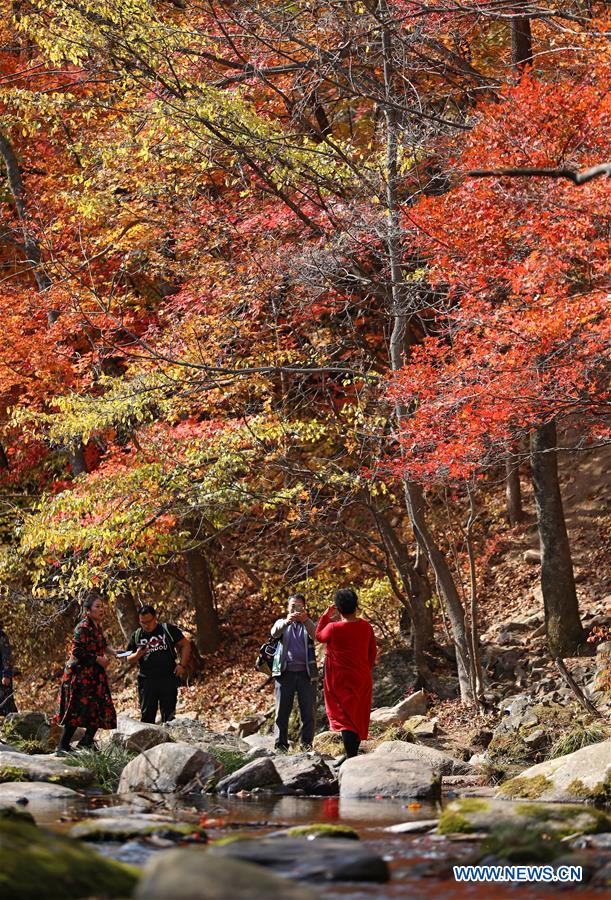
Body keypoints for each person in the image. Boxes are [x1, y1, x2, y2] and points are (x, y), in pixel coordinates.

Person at [315, 587, 377, 762]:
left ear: (339, 608)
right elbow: (372, 651)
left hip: (339, 679)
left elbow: (319, 636)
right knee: (357, 714)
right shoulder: (366, 626)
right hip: (362, 676)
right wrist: (365, 668)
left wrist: (325, 616)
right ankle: (352, 755)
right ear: (356, 606)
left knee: (344, 717)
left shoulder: (333, 628)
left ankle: (351, 757)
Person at [56, 595, 117, 752]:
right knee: (77, 709)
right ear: (88, 610)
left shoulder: (96, 626)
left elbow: (103, 644)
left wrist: (115, 652)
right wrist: (97, 659)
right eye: (97, 606)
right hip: (79, 675)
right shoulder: (82, 627)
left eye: (102, 606)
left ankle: (87, 742)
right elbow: (76, 651)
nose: (101, 609)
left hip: (94, 676)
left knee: (99, 706)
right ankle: (62, 746)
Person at [126, 605, 190, 724]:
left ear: (155, 618)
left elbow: (185, 644)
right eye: (142, 622)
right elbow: (129, 658)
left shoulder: (167, 629)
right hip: (147, 681)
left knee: (169, 717)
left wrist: (182, 665)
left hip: (168, 677)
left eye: (149, 621)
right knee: (147, 717)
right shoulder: (137, 635)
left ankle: (170, 741)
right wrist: (138, 654)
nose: (146, 625)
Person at [271, 593, 318, 751]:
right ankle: (280, 745)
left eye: (299, 606)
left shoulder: (308, 623)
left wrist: (305, 620)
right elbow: (274, 633)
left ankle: (306, 745)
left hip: (306, 673)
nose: (295, 609)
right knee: (282, 712)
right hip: (284, 673)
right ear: (287, 607)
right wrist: (287, 621)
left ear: (304, 608)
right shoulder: (282, 622)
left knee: (308, 712)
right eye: (292, 606)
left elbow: (317, 635)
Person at [0, 623, 17, 715]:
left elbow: (6, 656)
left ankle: (15, 726)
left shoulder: (2, 636)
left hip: (2, 677)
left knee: (6, 704)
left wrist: (6, 674)